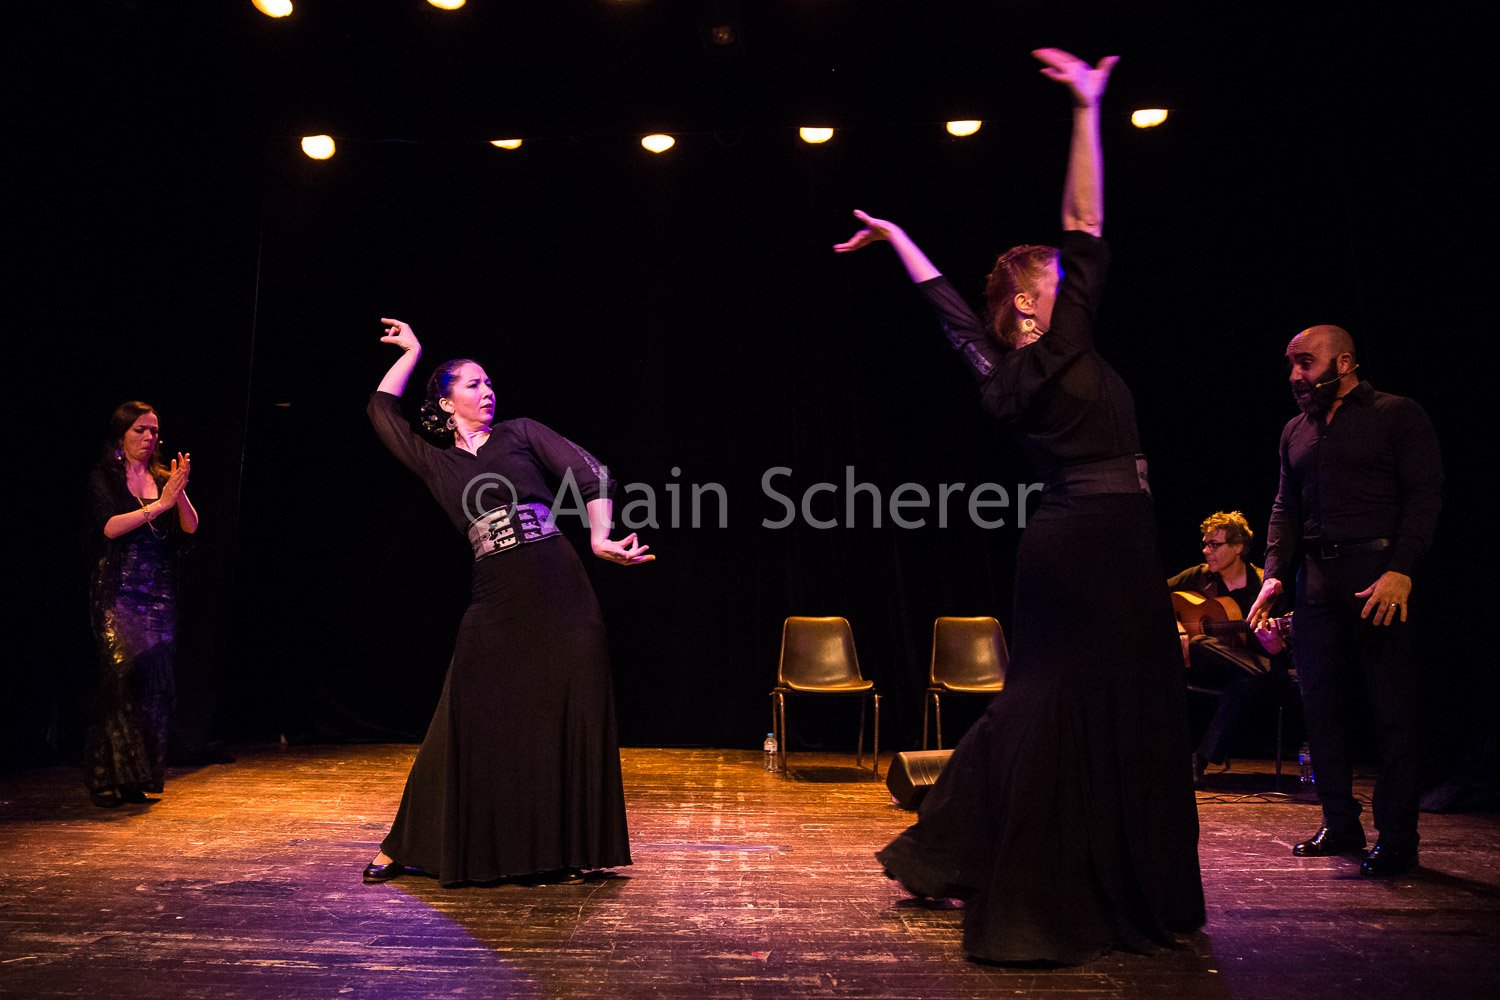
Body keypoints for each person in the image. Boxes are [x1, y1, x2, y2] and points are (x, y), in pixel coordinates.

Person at [834, 49, 1204, 964]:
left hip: (1068, 544)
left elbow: (949, 312)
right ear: (1038, 302)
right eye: (1057, 278)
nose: (1072, 280)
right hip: (1106, 541)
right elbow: (1086, 219)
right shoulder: (1062, 344)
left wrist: (901, 240)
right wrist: (1085, 107)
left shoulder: (999, 369)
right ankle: (1037, 884)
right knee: (1111, 707)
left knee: (1046, 703)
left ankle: (948, 846)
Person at [362, 318, 652, 887]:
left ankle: (567, 847)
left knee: (565, 710)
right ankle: (407, 842)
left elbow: (590, 472)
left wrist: (599, 537)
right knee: (463, 714)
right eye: (473, 384)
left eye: (489, 382)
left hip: (558, 584)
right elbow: (380, 410)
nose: (487, 390)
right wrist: (412, 352)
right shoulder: (435, 461)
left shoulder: (520, 433)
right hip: (497, 592)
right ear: (446, 404)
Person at [1246, 325, 1441, 877]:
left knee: (1392, 712)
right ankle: (1339, 822)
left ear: (1345, 363)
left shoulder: (1396, 414)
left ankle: (1398, 838)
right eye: (1292, 365)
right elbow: (1284, 507)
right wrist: (1273, 576)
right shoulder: (1295, 431)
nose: (1295, 375)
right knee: (1322, 708)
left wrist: (1402, 570)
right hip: (1316, 580)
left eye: (1306, 363)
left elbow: (1424, 497)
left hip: (1378, 576)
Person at [85, 401, 199, 807]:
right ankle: (105, 778)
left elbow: (190, 526)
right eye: (140, 430)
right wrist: (160, 504)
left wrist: (178, 494)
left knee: (154, 688)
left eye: (154, 430)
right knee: (120, 682)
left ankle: (135, 778)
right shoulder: (105, 477)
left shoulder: (162, 478)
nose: (149, 437)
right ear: (121, 435)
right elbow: (110, 527)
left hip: (158, 593)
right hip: (117, 591)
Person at [1167, 511, 1289, 784]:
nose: (1206, 551)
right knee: (1198, 643)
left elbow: (1286, 650)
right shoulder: (1198, 577)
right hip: (1211, 668)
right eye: (1205, 544)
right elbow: (1154, 596)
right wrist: (1178, 627)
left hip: (1255, 670)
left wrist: (1275, 646)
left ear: (1238, 547)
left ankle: (1199, 760)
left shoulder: (1264, 587)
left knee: (1246, 684)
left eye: (1214, 544)